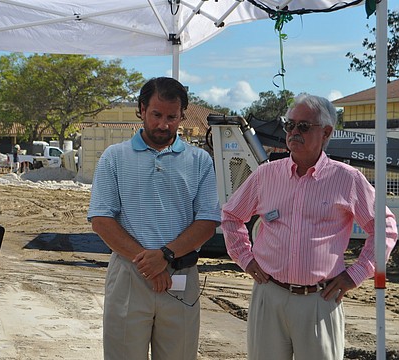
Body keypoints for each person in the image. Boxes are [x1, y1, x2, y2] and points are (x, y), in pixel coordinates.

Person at [221, 93, 398, 360]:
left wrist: (357, 273)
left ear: (326, 132)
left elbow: (384, 227)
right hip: (270, 295)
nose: (293, 132)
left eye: (303, 126)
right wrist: (245, 259)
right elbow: (231, 216)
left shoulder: (347, 179)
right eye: (289, 124)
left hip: (320, 299)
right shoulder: (266, 175)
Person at [87, 77, 221, 360]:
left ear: (182, 114)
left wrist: (166, 255)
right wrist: (151, 264)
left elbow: (208, 221)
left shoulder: (200, 161)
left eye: (172, 117)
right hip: (129, 275)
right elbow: (101, 219)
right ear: (141, 110)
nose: (163, 125)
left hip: (181, 276)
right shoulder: (114, 157)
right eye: (156, 115)